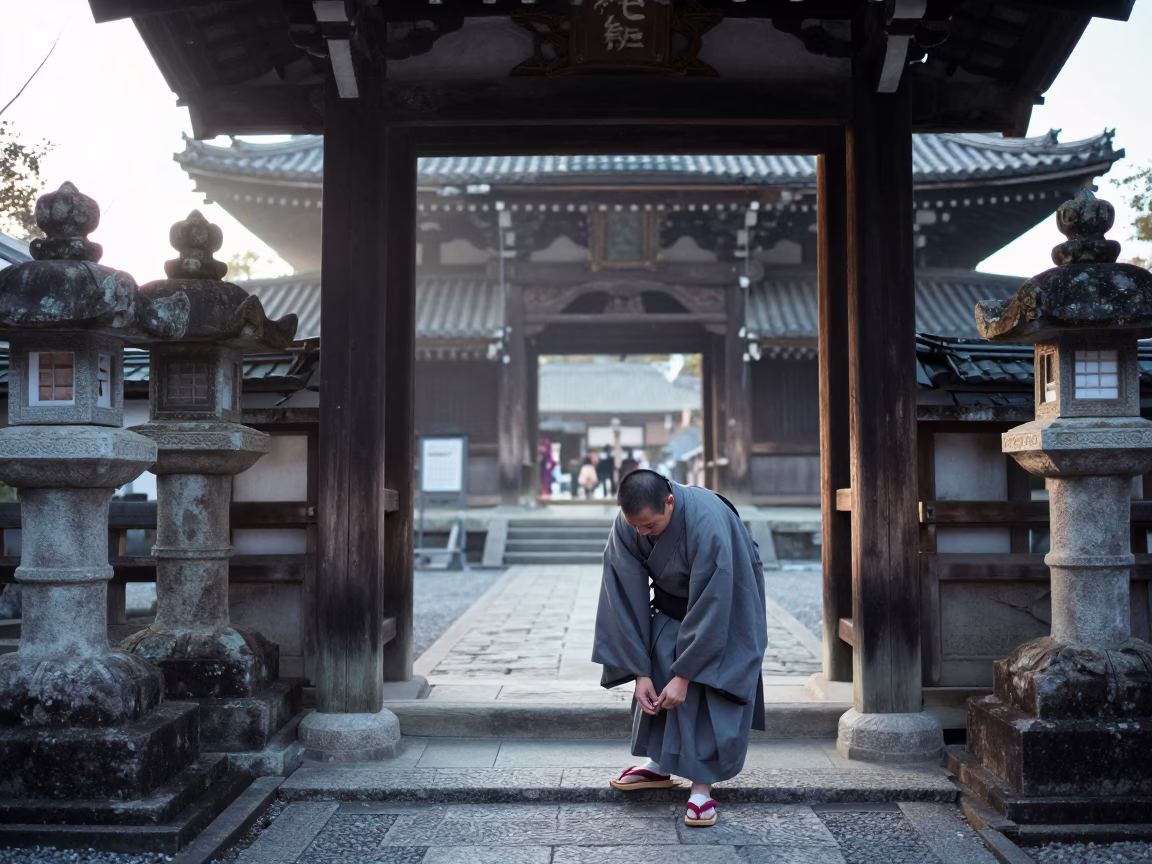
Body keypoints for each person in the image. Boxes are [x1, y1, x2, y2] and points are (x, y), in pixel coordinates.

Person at [593, 469, 768, 828]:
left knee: (706, 683)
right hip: (673, 605)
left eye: (650, 526)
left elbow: (716, 602)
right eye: (636, 526)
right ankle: (660, 763)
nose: (642, 533)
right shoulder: (631, 521)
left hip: (729, 598)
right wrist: (639, 672)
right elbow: (622, 592)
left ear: (669, 501)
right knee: (658, 656)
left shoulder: (707, 520)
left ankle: (701, 789)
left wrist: (685, 676)